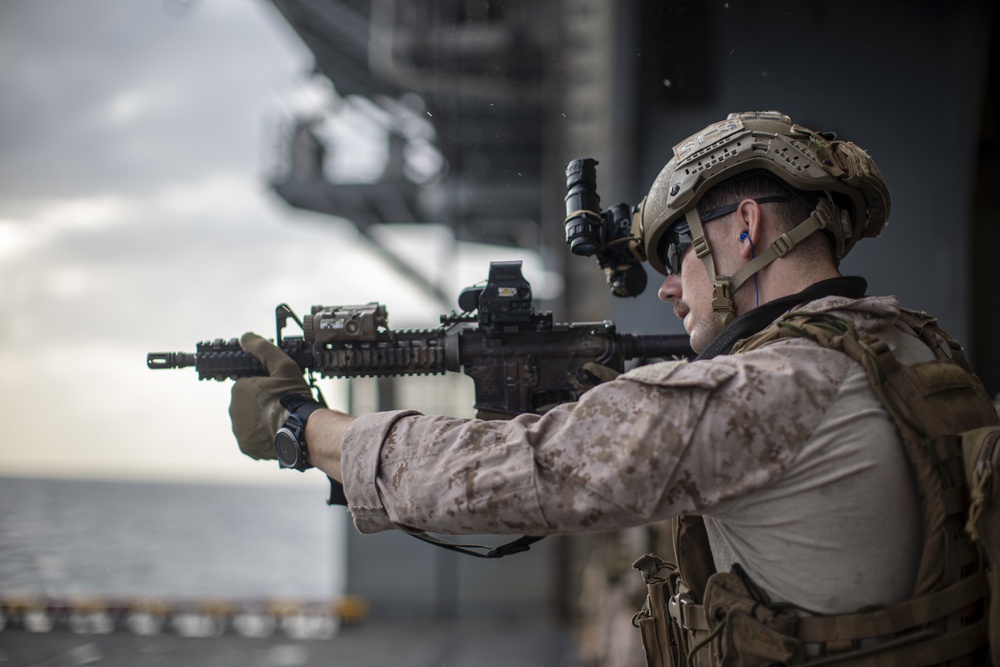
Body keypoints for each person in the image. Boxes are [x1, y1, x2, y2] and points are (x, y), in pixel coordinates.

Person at [229, 111, 996, 665]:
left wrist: (305, 426)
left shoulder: (770, 389)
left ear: (746, 229)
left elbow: (506, 472)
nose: (668, 288)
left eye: (679, 254)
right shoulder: (910, 342)